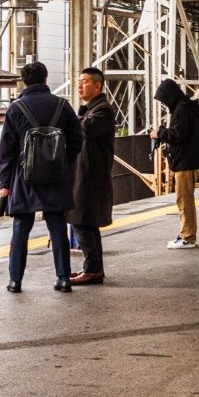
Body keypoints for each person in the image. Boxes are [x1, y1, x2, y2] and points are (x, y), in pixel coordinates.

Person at [0, 61, 83, 293]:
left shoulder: (15, 108)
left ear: (24, 81)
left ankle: (15, 281)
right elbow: (77, 139)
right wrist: (62, 163)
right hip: (56, 176)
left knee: (20, 229)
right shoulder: (62, 105)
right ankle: (64, 279)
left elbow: (6, 149)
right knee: (57, 228)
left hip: (24, 176)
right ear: (46, 79)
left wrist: (4, 182)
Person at [69, 66, 116, 286]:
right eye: (79, 81)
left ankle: (93, 269)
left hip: (91, 176)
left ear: (98, 86)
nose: (79, 85)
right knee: (87, 222)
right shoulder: (90, 109)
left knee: (81, 220)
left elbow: (85, 129)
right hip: (87, 174)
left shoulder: (103, 110)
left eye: (84, 81)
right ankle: (94, 268)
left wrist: (72, 118)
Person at [152, 78, 199, 249]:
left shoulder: (182, 109)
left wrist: (159, 132)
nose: (164, 103)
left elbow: (178, 135)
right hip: (188, 160)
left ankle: (187, 237)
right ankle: (187, 234)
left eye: (164, 99)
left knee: (184, 201)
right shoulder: (186, 106)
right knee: (185, 200)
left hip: (185, 162)